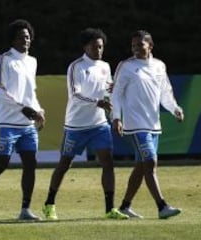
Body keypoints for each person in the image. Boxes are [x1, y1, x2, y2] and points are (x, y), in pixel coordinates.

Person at [42, 28, 129, 220]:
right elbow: (76, 94)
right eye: (95, 47)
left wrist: (116, 117)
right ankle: (49, 203)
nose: (99, 50)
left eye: (101, 47)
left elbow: (110, 95)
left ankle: (109, 209)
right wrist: (97, 102)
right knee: (65, 164)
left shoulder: (105, 66)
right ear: (85, 47)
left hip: (99, 124)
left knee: (108, 162)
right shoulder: (76, 67)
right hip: (76, 126)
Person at [0, 19, 45, 221]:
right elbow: (0, 90)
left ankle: (25, 209)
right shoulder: (3, 60)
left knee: (31, 163)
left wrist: (38, 110)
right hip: (6, 123)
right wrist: (25, 109)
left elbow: (32, 92)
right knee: (1, 163)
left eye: (28, 36)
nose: (26, 40)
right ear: (12, 39)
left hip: (27, 124)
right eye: (21, 36)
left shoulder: (32, 61)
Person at [111, 30, 184, 219]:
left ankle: (125, 206)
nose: (135, 48)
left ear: (150, 46)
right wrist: (116, 117)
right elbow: (116, 93)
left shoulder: (159, 66)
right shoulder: (125, 66)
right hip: (135, 124)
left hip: (153, 123)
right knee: (150, 162)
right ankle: (162, 207)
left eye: (139, 45)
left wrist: (175, 108)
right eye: (133, 45)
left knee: (143, 166)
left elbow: (165, 92)